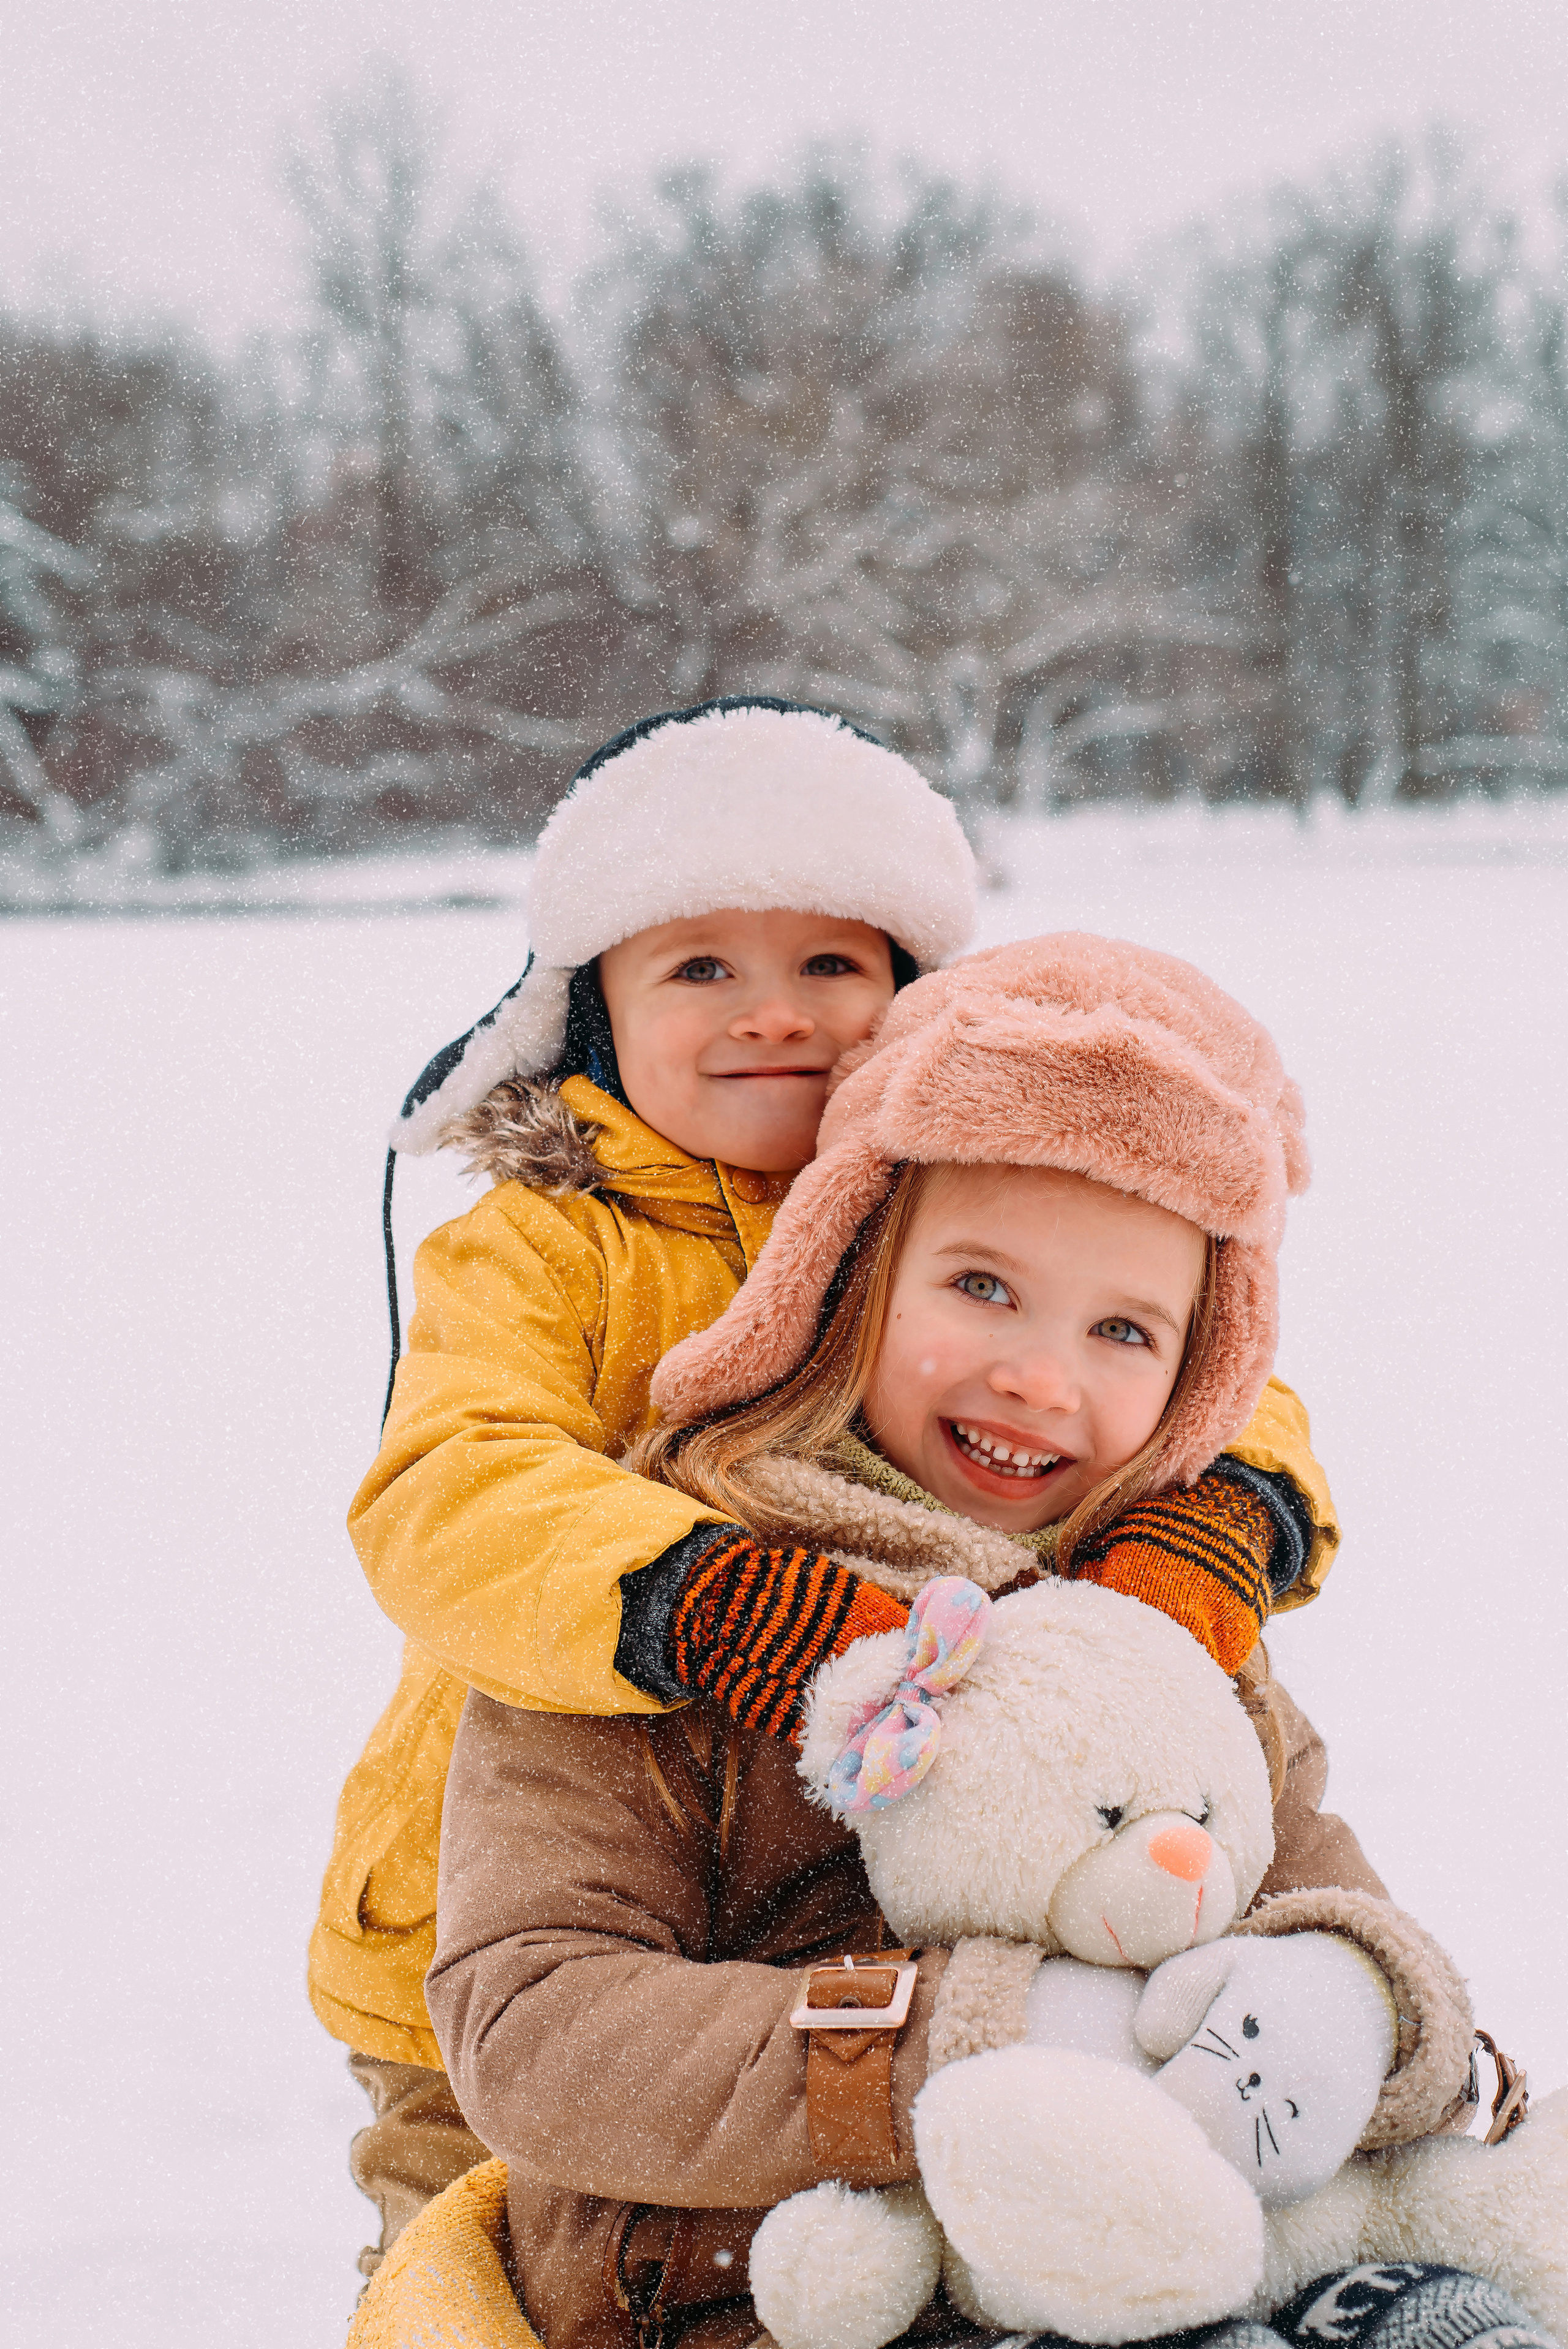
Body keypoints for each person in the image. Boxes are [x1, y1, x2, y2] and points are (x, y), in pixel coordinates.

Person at [314, 703, 1336, 2275]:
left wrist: (1211, 1522)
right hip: (538, 1832)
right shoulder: (546, 1245)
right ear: (591, 1004)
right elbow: (452, 1485)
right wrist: (720, 1603)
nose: (772, 1015)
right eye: (700, 967)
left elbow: (1202, 1359)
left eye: (830, 966)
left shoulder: (926, 1206)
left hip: (844, 1860)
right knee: (491, 2247)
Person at [424, 936, 1500, 2349]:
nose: (1040, 1378)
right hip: (750, 2284)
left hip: (1163, 2252)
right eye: (980, 1287)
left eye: (1123, 1330)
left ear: (1197, 1377)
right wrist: (972, 2042)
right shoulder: (665, 1606)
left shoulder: (1157, 1618)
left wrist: (1358, 2004)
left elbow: (1317, 1889)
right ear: (847, 1270)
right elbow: (539, 2030)